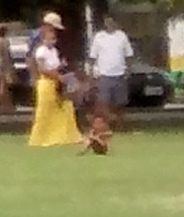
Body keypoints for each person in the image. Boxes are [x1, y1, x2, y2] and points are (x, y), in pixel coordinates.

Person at [27, 15, 83, 149]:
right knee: (45, 111)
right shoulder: (39, 48)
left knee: (64, 107)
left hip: (56, 80)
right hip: (47, 81)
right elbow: (40, 67)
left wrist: (61, 69)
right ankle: (42, 137)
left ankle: (63, 135)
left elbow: (53, 66)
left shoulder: (54, 50)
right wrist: (56, 77)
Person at [87, 15, 133, 153]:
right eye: (107, 21)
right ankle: (106, 128)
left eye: (112, 21)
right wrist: (90, 73)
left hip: (119, 74)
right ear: (104, 23)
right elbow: (92, 57)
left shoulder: (121, 36)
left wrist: (128, 70)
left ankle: (121, 127)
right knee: (104, 103)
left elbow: (129, 55)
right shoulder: (99, 37)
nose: (109, 23)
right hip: (104, 75)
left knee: (120, 103)